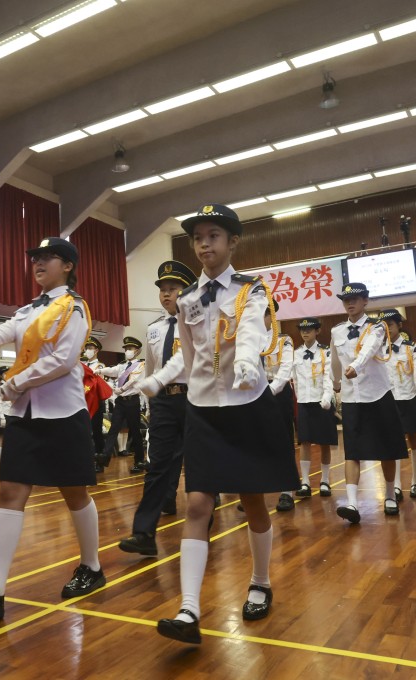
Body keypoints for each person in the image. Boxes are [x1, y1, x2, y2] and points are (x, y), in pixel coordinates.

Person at [155, 204, 297, 645]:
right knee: (197, 505)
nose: (204, 244)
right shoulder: (188, 300)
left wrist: (250, 365)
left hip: (245, 406)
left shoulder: (251, 289)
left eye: (214, 235)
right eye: (198, 237)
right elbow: (189, 355)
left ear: (233, 242)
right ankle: (188, 608)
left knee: (252, 502)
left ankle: (260, 580)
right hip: (203, 410)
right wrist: (159, 378)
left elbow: (252, 332)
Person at [0, 236, 103, 619]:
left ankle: (92, 566)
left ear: (67, 266)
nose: (38, 263)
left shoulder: (74, 307)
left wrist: (16, 382)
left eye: (48, 258)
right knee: (10, 492)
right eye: (35, 258)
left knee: (75, 493)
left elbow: (65, 360)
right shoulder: (27, 310)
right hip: (25, 415)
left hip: (63, 413)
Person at [116, 260, 197, 557]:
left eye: (173, 289)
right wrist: (150, 404)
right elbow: (150, 370)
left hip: (194, 399)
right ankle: (143, 532)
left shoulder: (197, 324)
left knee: (198, 464)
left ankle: (201, 526)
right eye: (162, 290)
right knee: (157, 465)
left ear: (187, 292)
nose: (166, 294)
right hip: (163, 401)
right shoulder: (153, 330)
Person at [330, 285, 410, 520]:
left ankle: (389, 495)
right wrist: (335, 384)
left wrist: (355, 366)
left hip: (378, 394)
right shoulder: (337, 331)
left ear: (365, 301)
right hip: (352, 397)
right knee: (352, 451)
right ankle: (352, 504)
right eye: (346, 300)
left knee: (386, 449)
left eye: (354, 299)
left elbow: (368, 349)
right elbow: (334, 359)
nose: (349, 304)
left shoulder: (377, 327)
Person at [384, 310, 416, 498]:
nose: (387, 329)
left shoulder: (412, 348)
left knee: (414, 439)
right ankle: (395, 485)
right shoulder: (378, 349)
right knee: (393, 443)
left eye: (391, 325)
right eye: (384, 326)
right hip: (389, 400)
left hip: (409, 398)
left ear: (399, 325)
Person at [291, 317, 336, 500]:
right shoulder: (295, 354)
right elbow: (293, 379)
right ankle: (305, 482)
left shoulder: (326, 352)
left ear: (317, 331)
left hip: (322, 401)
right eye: (302, 329)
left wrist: (327, 396)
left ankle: (325, 480)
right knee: (305, 442)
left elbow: (329, 376)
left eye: (309, 329)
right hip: (304, 402)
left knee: (325, 443)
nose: (305, 332)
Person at [263, 301, 296, 512]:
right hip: (254, 395)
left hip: (278, 393)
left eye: (264, 314)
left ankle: (287, 492)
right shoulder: (247, 341)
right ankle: (254, 493)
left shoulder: (283, 340)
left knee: (284, 442)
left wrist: (269, 391)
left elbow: (285, 370)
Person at [99, 337, 147, 472]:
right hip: (121, 402)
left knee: (135, 431)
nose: (127, 351)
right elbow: (112, 370)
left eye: (130, 349)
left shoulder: (141, 365)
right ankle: (105, 458)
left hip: (132, 401)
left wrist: (121, 389)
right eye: (126, 349)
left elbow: (133, 380)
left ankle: (139, 461)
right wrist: (100, 371)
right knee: (113, 429)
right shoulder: (122, 365)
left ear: (137, 351)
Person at [82, 338, 107, 471]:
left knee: (96, 432)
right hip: (83, 402)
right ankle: (86, 459)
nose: (88, 350)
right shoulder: (82, 365)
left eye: (91, 348)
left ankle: (99, 461)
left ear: (96, 350)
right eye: (87, 348)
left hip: (96, 402)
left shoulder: (100, 366)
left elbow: (97, 383)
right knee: (85, 432)